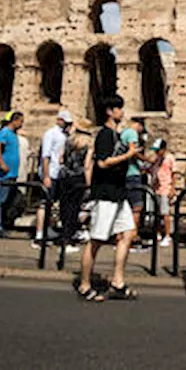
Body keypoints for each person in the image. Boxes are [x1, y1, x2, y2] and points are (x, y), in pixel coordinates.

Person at [76, 95, 140, 302]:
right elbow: (102, 163)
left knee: (127, 234)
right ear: (109, 112)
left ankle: (117, 281)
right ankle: (85, 284)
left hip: (119, 194)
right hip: (105, 194)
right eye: (119, 109)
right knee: (96, 240)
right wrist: (128, 155)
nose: (122, 112)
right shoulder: (104, 134)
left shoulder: (117, 135)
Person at [36, 109, 73, 248]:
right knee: (44, 203)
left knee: (52, 204)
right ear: (59, 120)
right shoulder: (50, 134)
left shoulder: (63, 135)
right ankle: (39, 234)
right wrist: (46, 175)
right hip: (50, 172)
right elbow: (45, 156)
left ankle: (48, 229)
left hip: (58, 173)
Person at [0, 111, 23, 237]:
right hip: (5, 173)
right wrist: (2, 163)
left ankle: (2, 223)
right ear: (14, 121)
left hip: (12, 173)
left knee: (7, 199)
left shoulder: (13, 134)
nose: (21, 124)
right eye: (20, 121)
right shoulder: (4, 132)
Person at [57, 125, 92, 249]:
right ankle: (69, 237)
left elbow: (61, 159)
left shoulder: (68, 142)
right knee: (74, 207)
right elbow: (87, 166)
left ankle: (64, 235)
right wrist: (89, 183)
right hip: (78, 178)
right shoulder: (87, 146)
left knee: (64, 206)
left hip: (64, 176)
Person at [120, 116, 148, 247]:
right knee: (137, 206)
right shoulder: (132, 133)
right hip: (132, 174)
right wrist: (146, 159)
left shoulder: (123, 133)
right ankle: (133, 235)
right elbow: (133, 152)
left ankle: (122, 235)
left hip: (124, 175)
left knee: (125, 207)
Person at [149, 138, 176, 246]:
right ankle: (158, 234)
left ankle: (168, 236)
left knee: (165, 213)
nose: (156, 152)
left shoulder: (169, 158)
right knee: (157, 213)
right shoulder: (157, 159)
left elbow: (174, 174)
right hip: (157, 189)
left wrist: (172, 188)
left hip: (165, 188)